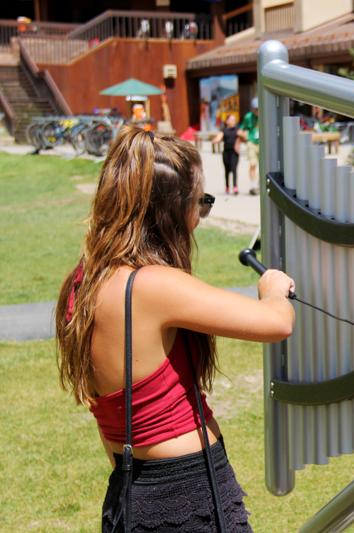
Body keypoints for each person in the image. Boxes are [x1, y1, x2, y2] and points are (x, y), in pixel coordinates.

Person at [54, 126, 295, 531]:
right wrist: (273, 289)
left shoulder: (82, 281)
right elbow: (276, 323)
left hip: (130, 491)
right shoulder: (151, 284)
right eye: (201, 202)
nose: (201, 215)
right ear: (170, 208)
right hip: (187, 495)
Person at [214, 114, 244, 195]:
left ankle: (235, 187)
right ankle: (227, 187)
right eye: (231, 119)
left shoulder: (237, 130)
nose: (233, 121)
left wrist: (242, 135)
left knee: (234, 169)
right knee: (227, 170)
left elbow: (245, 136)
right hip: (226, 153)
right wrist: (216, 140)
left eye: (234, 120)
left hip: (234, 153)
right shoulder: (224, 130)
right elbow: (218, 138)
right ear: (227, 121)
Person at [239, 98, 260, 196]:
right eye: (256, 109)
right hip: (252, 142)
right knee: (253, 164)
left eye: (259, 109)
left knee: (264, 166)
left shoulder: (265, 115)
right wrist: (245, 136)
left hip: (262, 143)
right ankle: (253, 186)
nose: (257, 111)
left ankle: (261, 185)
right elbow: (241, 129)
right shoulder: (248, 117)